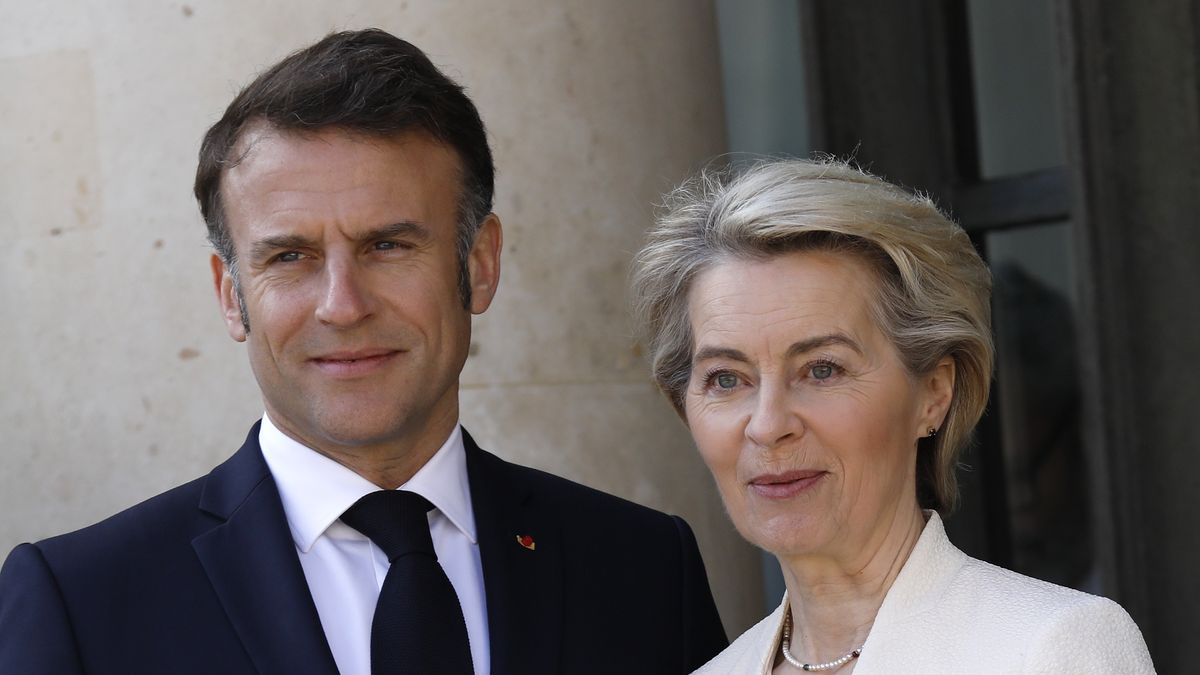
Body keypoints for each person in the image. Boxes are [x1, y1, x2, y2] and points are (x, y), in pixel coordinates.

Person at [0, 29, 727, 675]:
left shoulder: (643, 569)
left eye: (388, 245)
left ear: (479, 264)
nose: (343, 305)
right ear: (230, 294)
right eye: (289, 256)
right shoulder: (82, 602)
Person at [630, 158, 1154, 673]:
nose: (768, 426)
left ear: (934, 393)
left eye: (822, 370)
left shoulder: (1051, 648)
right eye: (726, 378)